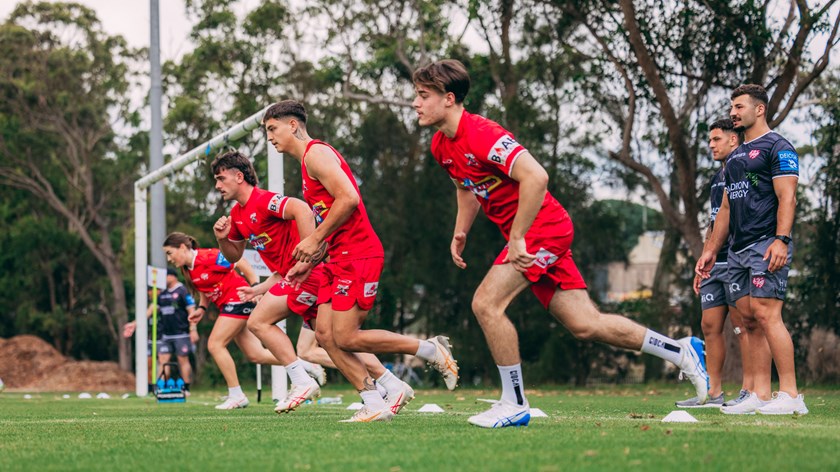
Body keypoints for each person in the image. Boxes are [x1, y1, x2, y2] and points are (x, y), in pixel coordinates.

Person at [410, 59, 708, 428]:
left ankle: (514, 402)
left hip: (544, 229)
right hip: (532, 233)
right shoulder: (441, 145)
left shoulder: (482, 133)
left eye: (423, 95)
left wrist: (517, 237)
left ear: (449, 98)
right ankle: (680, 351)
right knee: (585, 324)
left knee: (486, 304)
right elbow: (465, 188)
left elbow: (536, 176)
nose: (416, 103)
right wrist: (461, 231)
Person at [262, 101, 459, 423]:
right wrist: (310, 260)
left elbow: (350, 199)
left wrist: (312, 239)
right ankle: (374, 401)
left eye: (273, 129)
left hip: (359, 255)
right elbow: (332, 217)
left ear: (293, 126)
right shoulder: (306, 164)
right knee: (325, 336)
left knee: (347, 336)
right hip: (335, 258)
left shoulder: (316, 154)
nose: (270, 137)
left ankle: (429, 349)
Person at [210, 151, 414, 417]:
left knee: (258, 322)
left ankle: (303, 381)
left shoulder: (262, 200)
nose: (217, 185)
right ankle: (392, 383)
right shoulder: (236, 215)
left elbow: (300, 207)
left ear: (239, 176)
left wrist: (309, 253)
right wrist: (222, 239)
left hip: (311, 275)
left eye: (221, 178)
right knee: (336, 342)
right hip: (299, 277)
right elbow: (234, 256)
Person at [696, 84, 807, 415]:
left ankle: (791, 394)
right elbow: (726, 210)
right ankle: (759, 394)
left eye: (739, 106)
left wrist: (781, 240)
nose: (733, 112)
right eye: (732, 106)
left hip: (766, 244)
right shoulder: (735, 159)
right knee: (748, 320)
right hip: (738, 250)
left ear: (759, 109)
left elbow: (788, 196)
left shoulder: (778, 147)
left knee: (766, 313)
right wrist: (711, 251)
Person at [677, 119, 754, 408]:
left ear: (734, 140)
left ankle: (750, 390)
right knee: (709, 325)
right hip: (715, 264)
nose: (711, 144)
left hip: (739, 260)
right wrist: (705, 256)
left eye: (717, 139)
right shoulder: (715, 180)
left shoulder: (746, 171)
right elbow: (714, 223)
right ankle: (714, 393)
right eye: (710, 139)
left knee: (743, 325)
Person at [163, 232, 288, 409]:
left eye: (169, 253)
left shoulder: (208, 256)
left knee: (215, 344)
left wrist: (255, 288)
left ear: (182, 247)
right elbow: (206, 290)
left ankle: (236, 395)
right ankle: (301, 364)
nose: (169, 259)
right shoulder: (188, 269)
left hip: (239, 299)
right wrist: (202, 309)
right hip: (228, 306)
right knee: (256, 355)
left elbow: (241, 262)